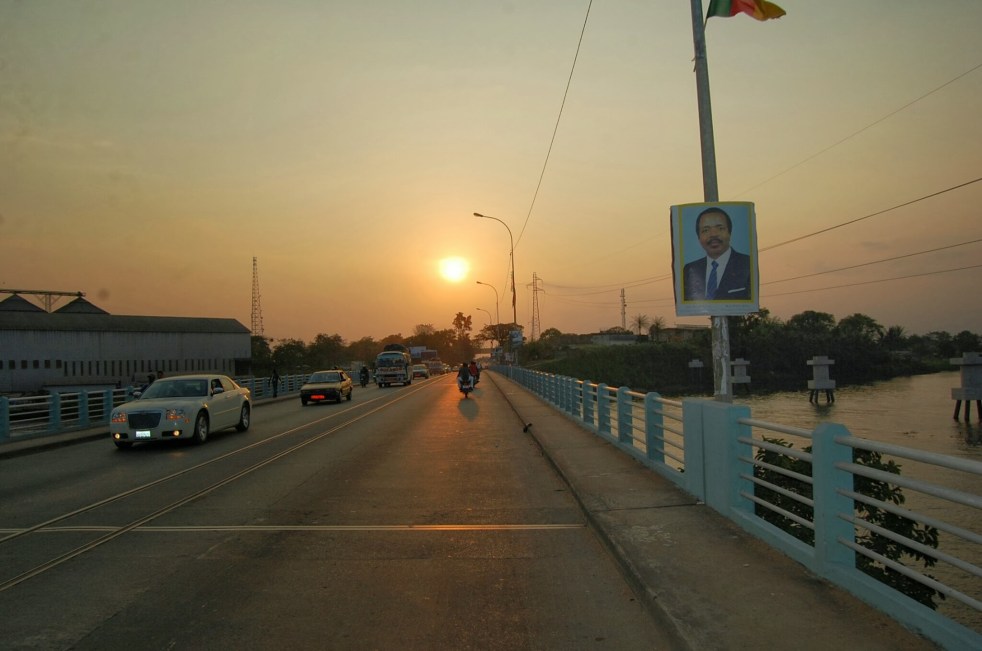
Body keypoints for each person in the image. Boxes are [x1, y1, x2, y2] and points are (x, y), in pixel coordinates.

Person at [682, 207, 752, 301]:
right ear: (699, 238)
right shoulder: (690, 269)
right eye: (706, 230)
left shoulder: (747, 264)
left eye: (720, 228)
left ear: (729, 233)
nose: (713, 234)